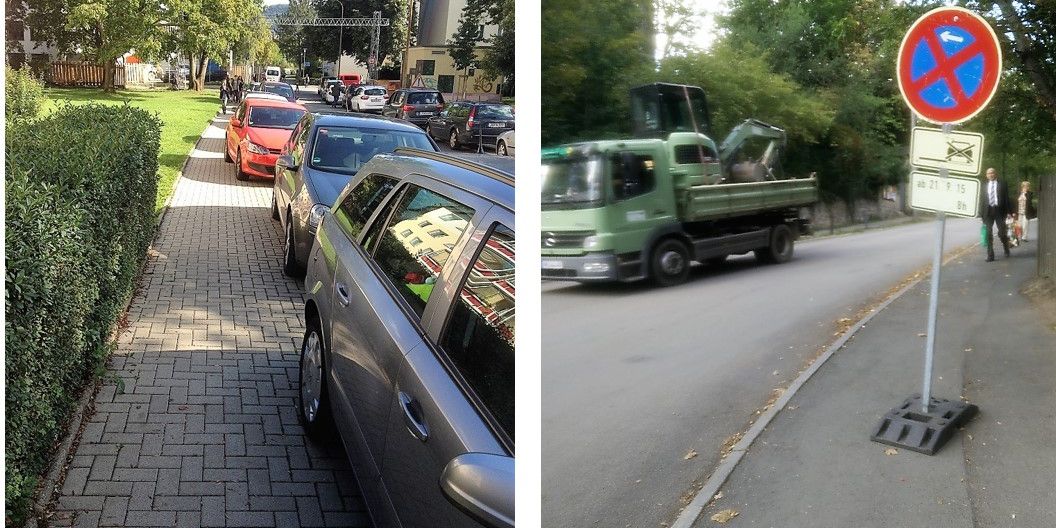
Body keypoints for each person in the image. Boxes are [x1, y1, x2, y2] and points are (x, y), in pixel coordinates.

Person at [979, 167, 1012, 262]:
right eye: (989, 173)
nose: (991, 174)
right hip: (988, 211)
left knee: (1002, 232)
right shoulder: (984, 185)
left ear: (995, 174)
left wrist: (1010, 212)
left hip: (1000, 211)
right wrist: (980, 214)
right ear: (986, 175)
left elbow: (1006, 198)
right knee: (988, 233)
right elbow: (982, 200)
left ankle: (1006, 246)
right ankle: (990, 255)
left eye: (992, 173)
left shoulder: (1002, 184)